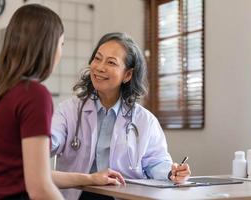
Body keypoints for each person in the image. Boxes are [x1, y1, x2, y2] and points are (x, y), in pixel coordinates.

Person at [0, 5, 124, 200]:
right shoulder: (33, 95)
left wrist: (90, 178)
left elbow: (25, 174)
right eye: (61, 44)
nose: (60, 52)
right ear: (47, 47)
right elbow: (40, 187)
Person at [51, 32, 191, 199]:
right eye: (97, 58)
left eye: (111, 62)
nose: (100, 67)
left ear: (128, 75)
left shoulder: (144, 120)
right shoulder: (69, 110)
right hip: (77, 195)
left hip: (123, 196)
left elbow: (156, 162)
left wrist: (172, 172)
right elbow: (49, 141)